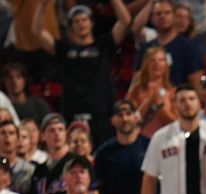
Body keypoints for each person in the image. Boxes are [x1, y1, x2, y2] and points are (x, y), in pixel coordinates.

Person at [33, 0, 132, 145]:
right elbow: (37, 32)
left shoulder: (104, 46)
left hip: (102, 114)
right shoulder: (64, 50)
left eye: (84, 19)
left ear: (92, 23)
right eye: (76, 21)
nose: (81, 24)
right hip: (72, 113)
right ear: (71, 26)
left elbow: (126, 21)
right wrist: (41, 5)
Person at [132, 0, 204, 89]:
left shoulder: (188, 47)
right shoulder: (145, 49)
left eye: (167, 13)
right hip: (150, 99)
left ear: (174, 16)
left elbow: (198, 81)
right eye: (158, 14)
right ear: (151, 18)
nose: (162, 16)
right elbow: (136, 83)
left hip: (180, 99)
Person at [126, 46, 179, 139]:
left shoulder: (173, 91)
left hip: (167, 140)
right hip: (141, 140)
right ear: (146, 64)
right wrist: (149, 100)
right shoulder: (136, 90)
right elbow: (129, 121)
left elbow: (178, 123)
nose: (157, 64)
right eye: (152, 60)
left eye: (161, 60)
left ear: (166, 64)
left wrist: (160, 107)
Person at [0, 120, 37, 194]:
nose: (7, 136)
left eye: (11, 133)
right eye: (3, 133)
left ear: (17, 139)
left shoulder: (30, 169)